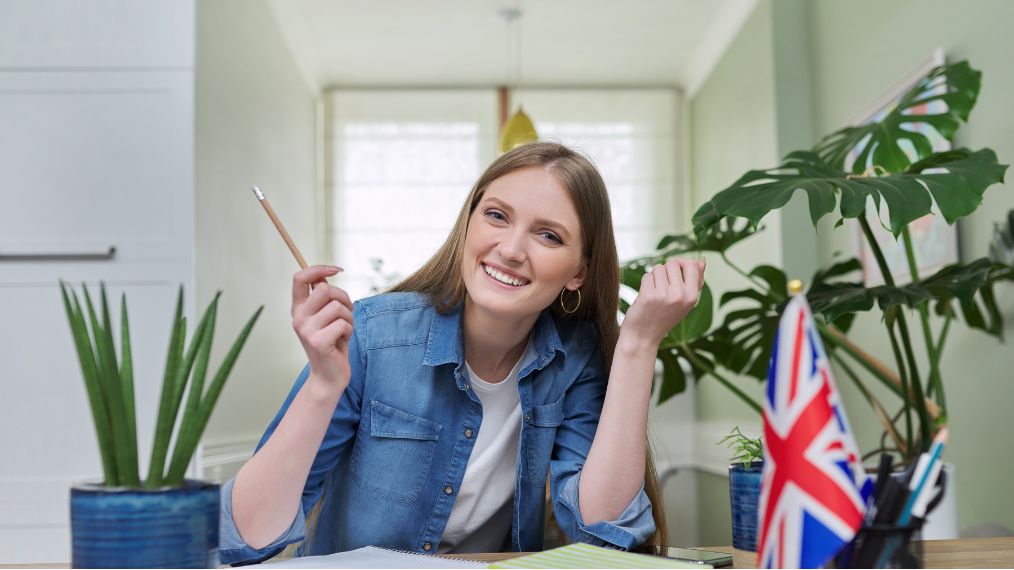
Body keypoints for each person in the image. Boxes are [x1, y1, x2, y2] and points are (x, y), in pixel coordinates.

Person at [219, 142, 706, 565]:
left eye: (548, 235)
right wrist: (325, 385)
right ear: (468, 223)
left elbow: (602, 532)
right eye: (496, 216)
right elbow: (246, 537)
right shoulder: (374, 334)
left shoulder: (575, 359)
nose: (511, 249)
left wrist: (638, 345)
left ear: (579, 272)